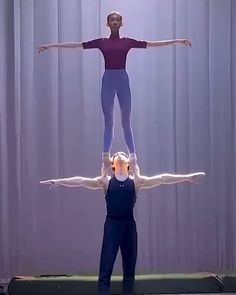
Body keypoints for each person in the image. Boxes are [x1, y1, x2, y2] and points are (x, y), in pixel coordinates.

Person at [37, 12, 192, 175]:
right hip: (108, 81)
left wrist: (177, 41)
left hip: (122, 80)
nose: (115, 22)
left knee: (126, 122)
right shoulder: (101, 43)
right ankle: (105, 159)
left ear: (121, 23)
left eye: (118, 20)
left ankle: (133, 158)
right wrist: (51, 46)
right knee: (109, 122)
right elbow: (77, 45)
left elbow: (152, 44)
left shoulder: (127, 42)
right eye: (112, 20)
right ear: (108, 24)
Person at [40, 151, 205, 294]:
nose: (120, 154)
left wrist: (187, 177)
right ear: (112, 164)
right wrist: (59, 181)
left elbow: (162, 179)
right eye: (117, 154)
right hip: (112, 225)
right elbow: (81, 181)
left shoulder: (136, 181)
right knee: (106, 267)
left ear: (128, 164)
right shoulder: (105, 182)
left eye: (124, 154)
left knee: (129, 268)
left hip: (128, 226)